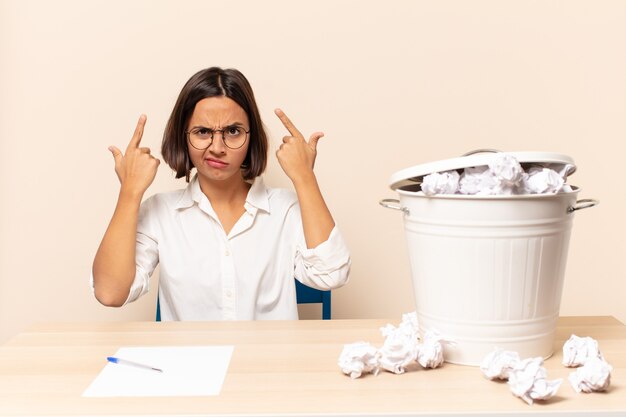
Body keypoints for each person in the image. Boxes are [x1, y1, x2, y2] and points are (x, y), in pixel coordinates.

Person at [91, 67, 351, 320]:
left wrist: (305, 177)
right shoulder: (160, 212)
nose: (217, 147)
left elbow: (332, 274)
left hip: (270, 362)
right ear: (183, 137)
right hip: (191, 363)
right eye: (203, 132)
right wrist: (130, 192)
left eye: (233, 131)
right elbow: (110, 293)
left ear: (252, 138)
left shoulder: (286, 209)